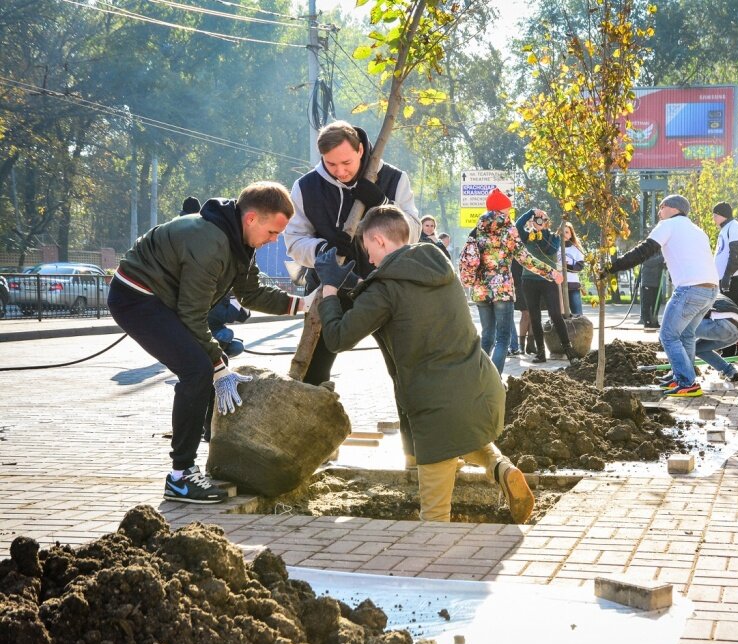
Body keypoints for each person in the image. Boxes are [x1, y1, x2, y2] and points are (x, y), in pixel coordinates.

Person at [315, 205, 535, 523]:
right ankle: (503, 469)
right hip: (482, 390)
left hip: (435, 412)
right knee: (465, 435)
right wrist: (360, 284)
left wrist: (331, 290)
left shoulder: (385, 289)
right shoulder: (438, 264)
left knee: (433, 520)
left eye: (368, 250)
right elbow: (404, 299)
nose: (370, 259)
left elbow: (337, 337)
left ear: (378, 240)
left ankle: (437, 564)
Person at [107, 182, 307, 504]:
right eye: (273, 233)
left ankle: (214, 454)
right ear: (252, 218)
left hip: (161, 299)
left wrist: (303, 304)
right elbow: (192, 314)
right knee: (198, 370)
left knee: (210, 366)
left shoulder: (240, 241)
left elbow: (251, 294)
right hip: (136, 298)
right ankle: (181, 477)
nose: (273, 242)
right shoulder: (210, 242)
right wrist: (216, 366)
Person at [283, 120, 419, 466]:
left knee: (406, 370)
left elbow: (414, 233)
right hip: (331, 288)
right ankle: (317, 450)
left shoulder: (393, 179)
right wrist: (324, 250)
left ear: (361, 149)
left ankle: (416, 452)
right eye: (332, 165)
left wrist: (386, 206)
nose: (340, 171)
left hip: (387, 286)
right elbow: (294, 240)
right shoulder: (307, 187)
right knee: (315, 372)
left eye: (347, 163)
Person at [605, 195, 718, 398]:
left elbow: (643, 252)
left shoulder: (668, 225)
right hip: (710, 289)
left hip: (690, 289)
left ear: (672, 209)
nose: (659, 212)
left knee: (668, 335)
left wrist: (613, 267)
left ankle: (687, 382)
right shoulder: (697, 230)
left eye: (661, 207)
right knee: (686, 335)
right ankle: (681, 376)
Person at [460, 188, 562, 373]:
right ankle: (495, 383)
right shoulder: (508, 229)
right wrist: (551, 272)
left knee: (487, 336)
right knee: (503, 338)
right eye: (507, 208)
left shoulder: (477, 229)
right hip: (502, 290)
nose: (509, 212)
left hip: (480, 291)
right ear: (501, 209)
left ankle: (478, 379)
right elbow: (525, 258)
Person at [515, 208, 580, 364]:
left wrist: (540, 231)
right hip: (529, 281)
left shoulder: (554, 237)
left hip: (548, 281)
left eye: (542, 219)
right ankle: (540, 353)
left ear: (546, 222)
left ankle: (569, 351)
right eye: (535, 219)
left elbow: (548, 248)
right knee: (535, 317)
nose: (538, 222)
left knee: (556, 315)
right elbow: (516, 226)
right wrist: (531, 212)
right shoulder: (526, 236)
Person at [695, 294, 738, 385]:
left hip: (722, 324)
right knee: (697, 348)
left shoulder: (699, 293)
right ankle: (732, 373)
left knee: (681, 331)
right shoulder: (722, 298)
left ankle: (681, 377)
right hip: (736, 334)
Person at [712, 202, 738, 307]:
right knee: (724, 313)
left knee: (730, 313)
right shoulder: (725, 229)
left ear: (723, 215)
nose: (714, 219)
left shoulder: (734, 226)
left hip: (735, 278)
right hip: (726, 278)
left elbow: (737, 252)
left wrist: (728, 275)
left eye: (715, 216)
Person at [560, 222, 586, 316]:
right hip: (558, 286)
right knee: (559, 316)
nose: (564, 234)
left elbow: (579, 266)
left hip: (573, 285)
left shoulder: (576, 249)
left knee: (578, 314)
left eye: (566, 232)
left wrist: (566, 267)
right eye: (562, 232)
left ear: (571, 234)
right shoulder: (555, 248)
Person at [639, 248, 666, 329]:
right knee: (647, 303)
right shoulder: (646, 251)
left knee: (656, 304)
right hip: (648, 282)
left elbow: (662, 263)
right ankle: (647, 321)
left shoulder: (659, 252)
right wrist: (662, 258)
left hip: (657, 283)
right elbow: (649, 262)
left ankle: (654, 321)